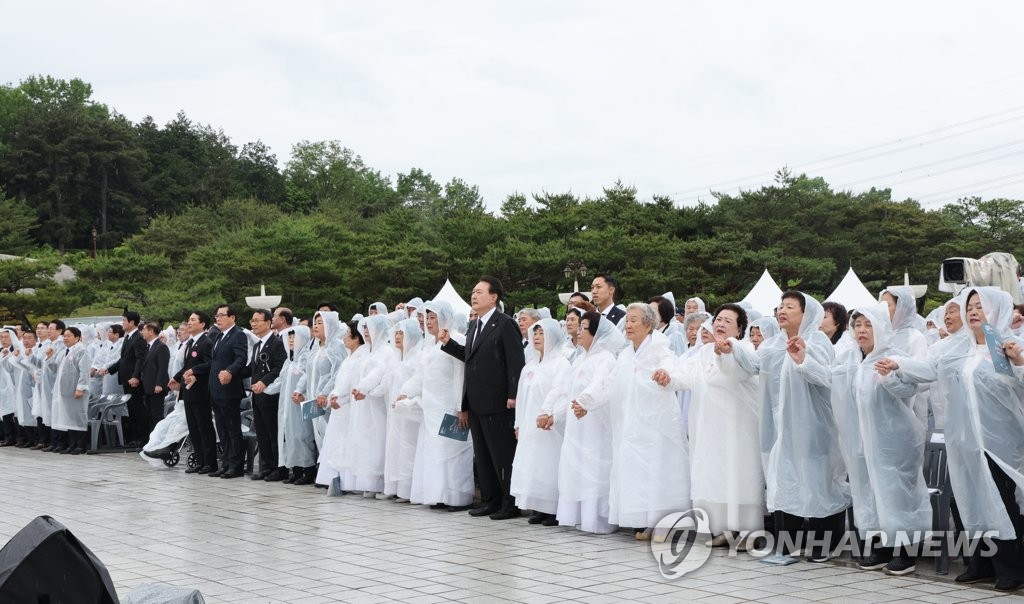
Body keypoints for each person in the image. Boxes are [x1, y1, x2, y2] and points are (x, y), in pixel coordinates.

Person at [879, 287, 1024, 591]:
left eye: (979, 306)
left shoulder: (1011, 346)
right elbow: (928, 368)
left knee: (1000, 503)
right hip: (964, 441)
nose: (972, 311)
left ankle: (1011, 568)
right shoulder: (957, 348)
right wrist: (899, 364)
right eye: (969, 305)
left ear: (996, 310)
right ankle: (982, 563)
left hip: (999, 444)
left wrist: (1019, 362)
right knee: (970, 501)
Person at [729, 291, 850, 561]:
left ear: (806, 314)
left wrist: (803, 360)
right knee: (785, 482)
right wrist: (731, 346)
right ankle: (789, 544)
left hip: (815, 426)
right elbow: (754, 365)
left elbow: (829, 379)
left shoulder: (818, 342)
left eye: (790, 306)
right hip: (782, 428)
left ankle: (825, 543)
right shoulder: (774, 345)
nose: (782, 310)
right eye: (781, 306)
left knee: (820, 482)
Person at [828, 303, 931, 576]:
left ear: (881, 328)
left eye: (868, 325)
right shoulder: (854, 360)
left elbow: (917, 382)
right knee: (873, 496)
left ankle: (906, 554)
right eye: (857, 325)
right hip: (866, 442)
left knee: (898, 497)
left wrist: (893, 373)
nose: (861, 330)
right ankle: (883, 548)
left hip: (896, 443)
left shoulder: (892, 356)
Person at [654, 303, 763, 548]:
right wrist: (667, 378)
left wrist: (726, 353)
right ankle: (723, 528)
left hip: (737, 429)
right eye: (718, 319)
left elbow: (736, 373)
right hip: (708, 427)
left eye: (728, 321)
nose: (721, 324)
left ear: (739, 328)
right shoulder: (702, 352)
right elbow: (685, 376)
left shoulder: (743, 350)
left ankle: (746, 531)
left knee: (738, 477)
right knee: (713, 476)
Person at [440, 276, 526, 520]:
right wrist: (448, 343)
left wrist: (513, 395)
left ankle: (510, 503)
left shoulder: (505, 323)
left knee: (502, 454)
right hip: (476, 401)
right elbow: (471, 358)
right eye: (473, 292)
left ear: (494, 296)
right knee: (484, 455)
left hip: (499, 401)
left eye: (479, 292)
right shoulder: (474, 325)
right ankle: (490, 499)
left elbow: (515, 362)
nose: (474, 296)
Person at [608, 303, 691, 541]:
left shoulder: (660, 348)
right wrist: (586, 401)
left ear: (648, 324)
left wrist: (667, 376)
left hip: (657, 424)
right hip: (631, 425)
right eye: (627, 320)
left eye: (634, 320)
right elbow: (610, 382)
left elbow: (671, 366)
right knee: (636, 472)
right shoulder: (625, 354)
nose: (628, 325)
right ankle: (644, 521)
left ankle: (665, 522)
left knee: (658, 470)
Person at [402, 301, 475, 509]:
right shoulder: (429, 345)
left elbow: (461, 375)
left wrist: (461, 407)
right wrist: (405, 392)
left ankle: (458, 498)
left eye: (433, 317)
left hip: (450, 406)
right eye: (427, 318)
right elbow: (421, 376)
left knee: (453, 453)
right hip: (431, 408)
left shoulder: (457, 339)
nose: (428, 322)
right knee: (435, 453)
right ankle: (439, 495)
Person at [556, 312, 624, 534]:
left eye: (584, 327)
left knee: (595, 465)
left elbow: (599, 386)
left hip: (595, 421)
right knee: (576, 464)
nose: (578, 331)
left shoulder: (605, 358)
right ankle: (577, 515)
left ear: (597, 332)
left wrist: (585, 402)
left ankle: (596, 519)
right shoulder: (580, 358)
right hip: (577, 422)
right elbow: (567, 389)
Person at [510, 318, 572, 526]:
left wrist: (548, 412)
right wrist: (518, 423)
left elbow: (560, 391)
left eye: (541, 334)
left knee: (548, 464)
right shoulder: (529, 366)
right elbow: (521, 396)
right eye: (534, 334)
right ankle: (538, 507)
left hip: (549, 425)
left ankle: (553, 509)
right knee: (532, 465)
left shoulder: (560, 363)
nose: (536, 338)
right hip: (528, 423)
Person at [194, 304, 249, 479]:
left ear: (232, 318)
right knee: (222, 430)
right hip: (216, 390)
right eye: (216, 316)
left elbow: (241, 358)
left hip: (229, 389)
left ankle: (236, 466)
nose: (217, 318)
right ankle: (225, 464)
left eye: (221, 315)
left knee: (233, 429)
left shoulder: (238, 335)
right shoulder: (218, 336)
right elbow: (214, 362)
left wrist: (230, 371)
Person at [345, 315, 397, 496]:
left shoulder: (386, 351)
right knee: (365, 441)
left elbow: (380, 374)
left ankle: (380, 483)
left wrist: (364, 388)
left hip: (376, 404)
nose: (365, 332)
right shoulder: (368, 351)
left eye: (369, 328)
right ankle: (368, 482)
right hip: (363, 402)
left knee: (378, 441)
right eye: (364, 328)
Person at [242, 309, 288, 481]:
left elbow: (279, 367)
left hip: (270, 395)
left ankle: (278, 468)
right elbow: (251, 369)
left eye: (257, 320)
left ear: (268, 323)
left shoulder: (277, 343)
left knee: (273, 432)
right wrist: (232, 373)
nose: (253, 324)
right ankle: (266, 467)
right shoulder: (257, 345)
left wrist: (265, 381)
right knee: (261, 432)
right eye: (251, 320)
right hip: (257, 395)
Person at [382, 318, 424, 501]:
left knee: (408, 447)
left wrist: (407, 399)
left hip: (410, 411)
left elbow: (420, 383)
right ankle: (396, 487)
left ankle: (408, 489)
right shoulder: (396, 358)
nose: (398, 337)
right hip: (394, 411)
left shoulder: (417, 358)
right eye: (396, 333)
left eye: (402, 333)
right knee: (396, 447)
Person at [170, 311, 217, 474]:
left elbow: (211, 364)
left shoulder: (206, 342)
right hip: (188, 391)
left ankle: (210, 463)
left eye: (193, 320)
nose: (189, 323)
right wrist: (176, 378)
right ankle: (200, 460)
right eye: (189, 320)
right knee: (194, 428)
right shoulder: (190, 343)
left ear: (202, 324)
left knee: (204, 427)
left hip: (200, 391)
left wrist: (194, 370)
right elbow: (186, 365)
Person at [319, 320, 363, 492]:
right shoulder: (349, 357)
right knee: (336, 441)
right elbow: (339, 382)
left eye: (347, 335)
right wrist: (332, 396)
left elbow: (352, 384)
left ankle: (345, 479)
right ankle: (333, 477)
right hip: (338, 404)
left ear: (356, 338)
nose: (344, 338)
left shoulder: (360, 358)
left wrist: (340, 399)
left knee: (345, 442)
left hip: (347, 405)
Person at [880, 286, 929, 428]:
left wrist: (894, 377)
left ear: (903, 308)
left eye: (888, 305)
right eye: (881, 305)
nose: (882, 309)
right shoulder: (879, 334)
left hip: (905, 408)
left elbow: (923, 380)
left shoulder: (914, 337)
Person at [275, 325, 317, 485]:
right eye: (289, 337)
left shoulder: (307, 356)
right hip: (288, 405)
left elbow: (309, 377)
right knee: (291, 436)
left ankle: (308, 470)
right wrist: (265, 388)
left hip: (302, 403)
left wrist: (302, 393)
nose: (291, 340)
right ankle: (296, 469)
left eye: (294, 337)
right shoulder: (289, 360)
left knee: (303, 435)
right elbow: (280, 381)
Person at [102, 311, 147, 447]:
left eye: (124, 320)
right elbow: (124, 359)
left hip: (133, 380)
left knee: (137, 409)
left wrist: (135, 376)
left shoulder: (138, 338)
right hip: (126, 378)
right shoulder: (128, 337)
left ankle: (142, 438)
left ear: (132, 322)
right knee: (131, 409)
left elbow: (140, 359)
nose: (122, 323)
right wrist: (109, 370)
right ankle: (134, 438)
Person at [49, 327, 93, 455]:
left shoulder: (81, 350)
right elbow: (55, 368)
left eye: (69, 336)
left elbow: (84, 371)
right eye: (64, 336)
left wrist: (80, 388)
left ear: (77, 337)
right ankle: (71, 444)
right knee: (68, 418)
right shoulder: (64, 351)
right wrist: (50, 357)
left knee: (77, 417)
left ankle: (80, 445)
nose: (65, 338)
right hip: (64, 391)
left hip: (76, 390)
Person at [140, 321, 170, 437]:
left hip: (156, 387)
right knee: (150, 415)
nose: (142, 332)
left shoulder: (161, 347)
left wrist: (159, 384)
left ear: (151, 332)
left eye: (144, 330)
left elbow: (162, 368)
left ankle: (158, 441)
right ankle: (152, 441)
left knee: (157, 416)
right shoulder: (150, 346)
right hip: (148, 387)